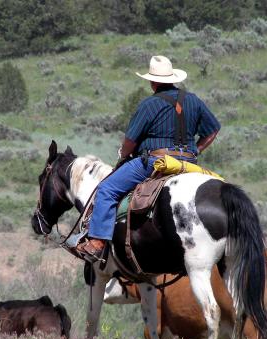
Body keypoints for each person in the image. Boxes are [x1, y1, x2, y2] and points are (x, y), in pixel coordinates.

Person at [76, 55, 221, 262]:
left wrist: (123, 155)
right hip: (188, 164)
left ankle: (98, 242)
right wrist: (195, 150)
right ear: (172, 78)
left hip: (155, 161)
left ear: (152, 82)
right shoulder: (194, 101)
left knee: (107, 189)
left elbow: (130, 141)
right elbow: (213, 130)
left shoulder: (149, 104)